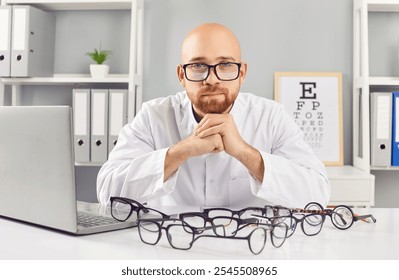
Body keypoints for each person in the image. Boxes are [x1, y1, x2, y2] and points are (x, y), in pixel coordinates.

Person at [97, 23, 330, 209]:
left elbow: (318, 194)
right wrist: (182, 151)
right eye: (198, 66)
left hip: (252, 253)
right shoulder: (153, 116)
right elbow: (107, 193)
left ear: (242, 73)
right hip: (172, 249)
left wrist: (245, 153)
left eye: (226, 64)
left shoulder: (271, 117)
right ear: (181, 75)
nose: (212, 79)